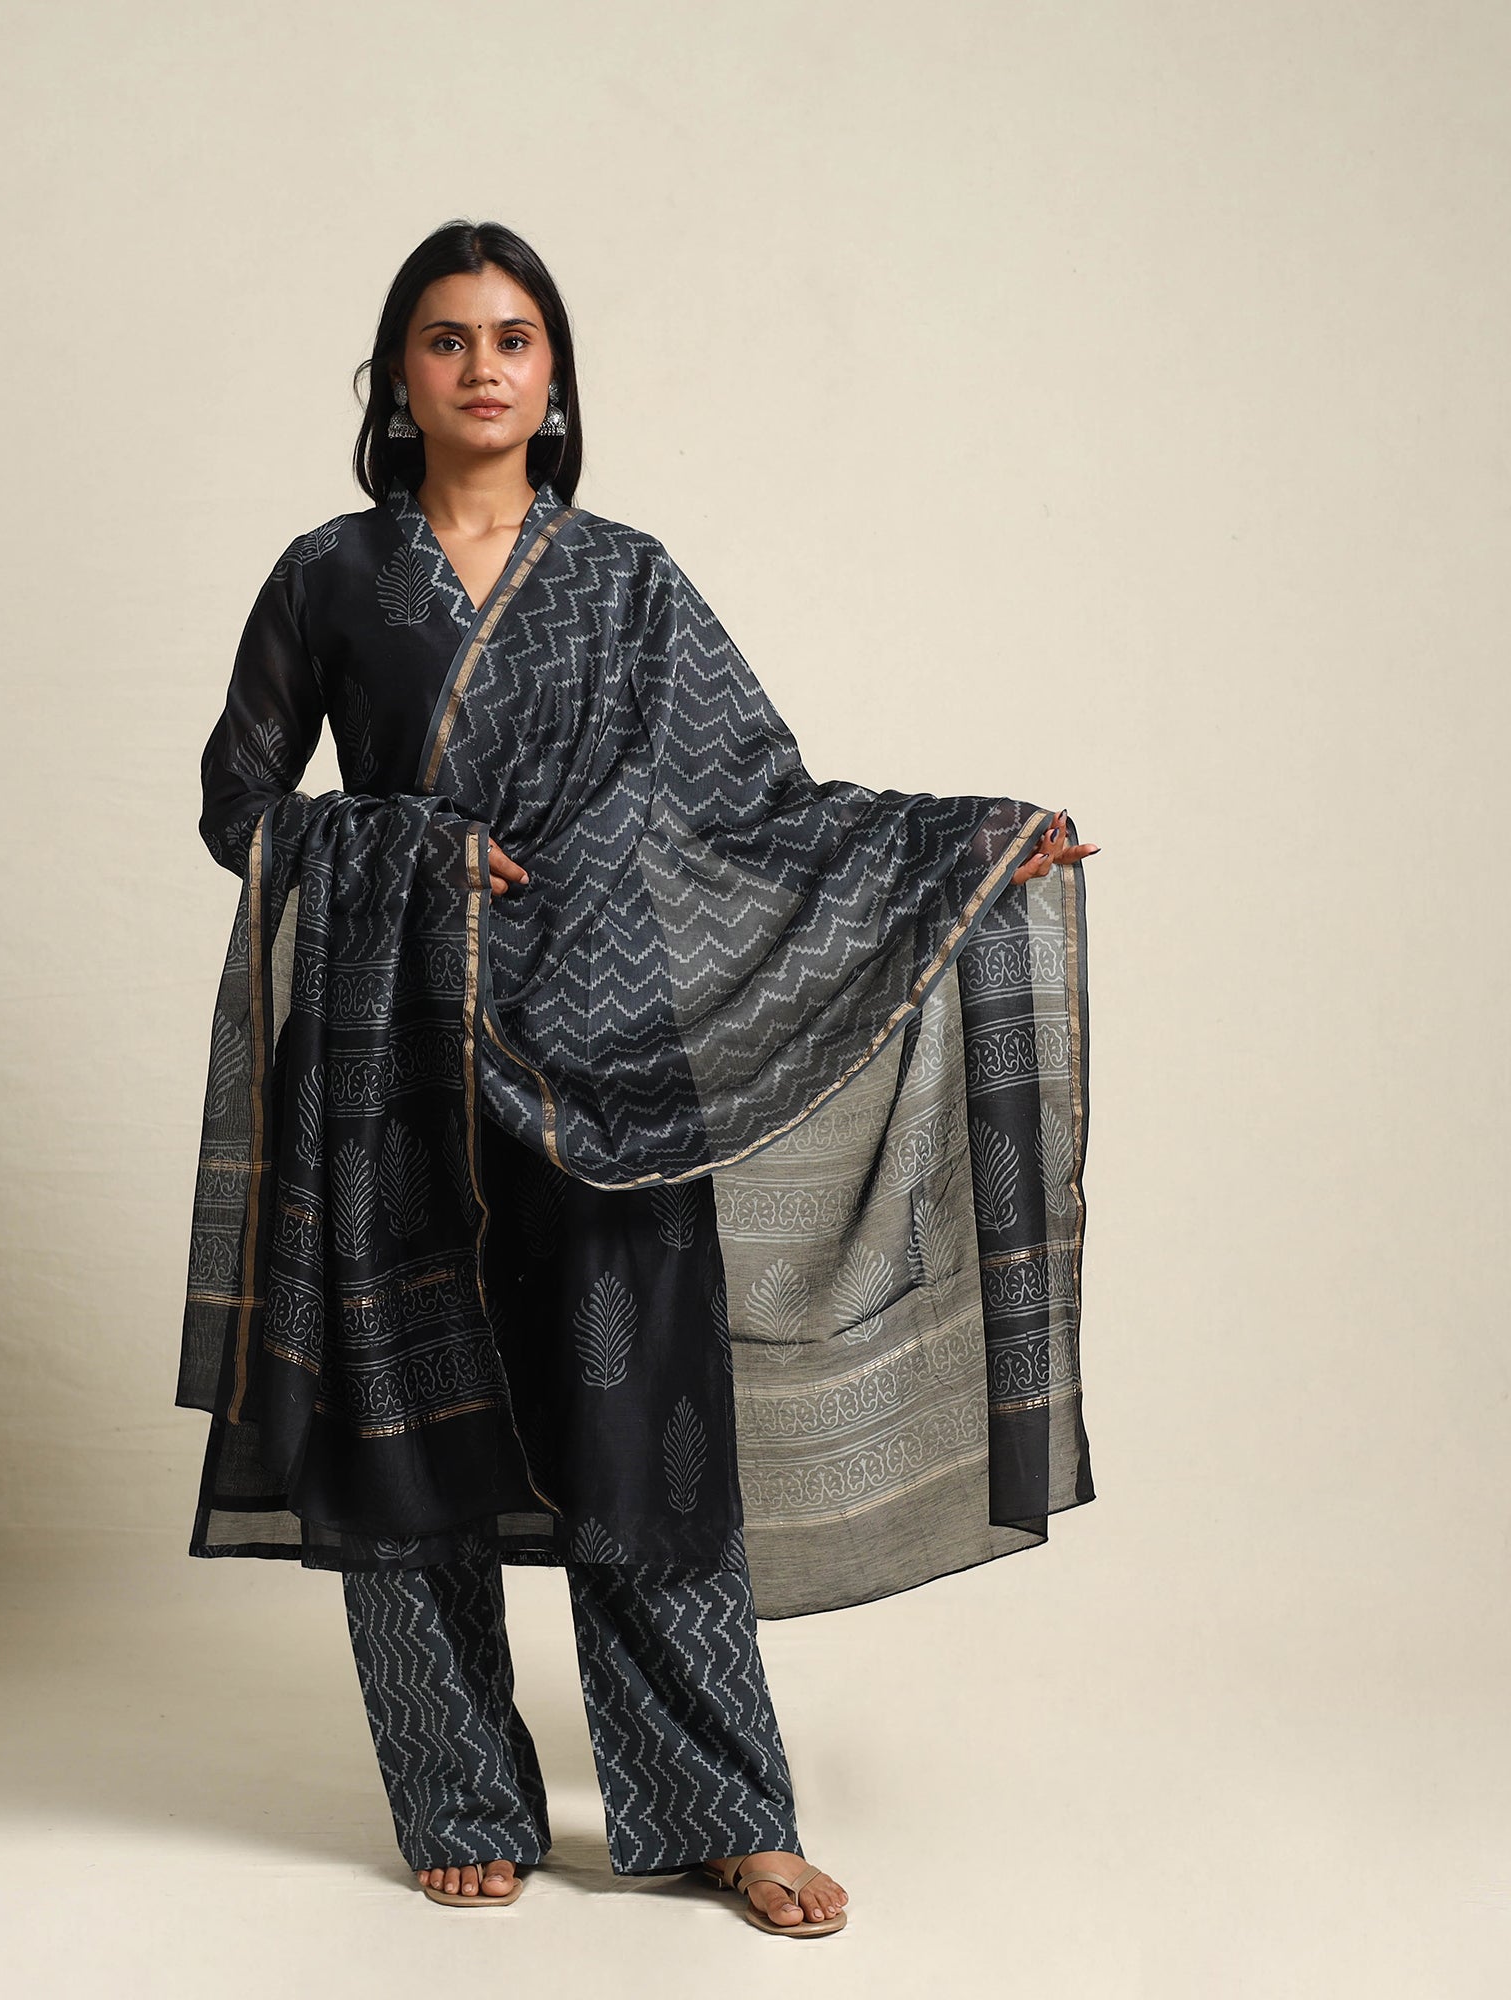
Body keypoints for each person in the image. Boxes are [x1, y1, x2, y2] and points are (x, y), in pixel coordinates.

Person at [180, 219, 1099, 1936]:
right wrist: (410, 848)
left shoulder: (628, 581)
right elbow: (241, 807)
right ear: (397, 377)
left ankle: (720, 1812)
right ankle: (462, 1798)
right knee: (407, 1433)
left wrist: (970, 848)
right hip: (391, 1057)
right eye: (447, 339)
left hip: (609, 1068)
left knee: (647, 1436)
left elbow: (762, 803)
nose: (481, 367)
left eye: (513, 338)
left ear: (555, 378)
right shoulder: (326, 576)